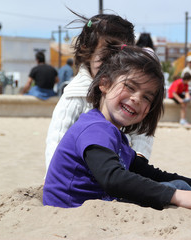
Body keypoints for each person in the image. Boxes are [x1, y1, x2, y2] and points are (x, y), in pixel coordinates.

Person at [43, 44, 191, 211]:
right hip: (72, 211)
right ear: (105, 83)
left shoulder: (113, 134)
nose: (136, 99)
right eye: (130, 87)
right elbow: (113, 178)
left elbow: (149, 173)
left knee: (179, 185)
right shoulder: (95, 128)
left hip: (94, 208)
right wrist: (175, 195)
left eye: (146, 97)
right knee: (177, 188)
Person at [44, 13, 153, 176]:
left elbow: (141, 130)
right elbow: (56, 140)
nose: (114, 59)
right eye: (109, 49)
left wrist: (138, 160)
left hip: (120, 177)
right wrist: (55, 178)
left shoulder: (126, 92)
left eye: (122, 52)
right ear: (87, 51)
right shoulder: (76, 96)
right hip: (83, 179)